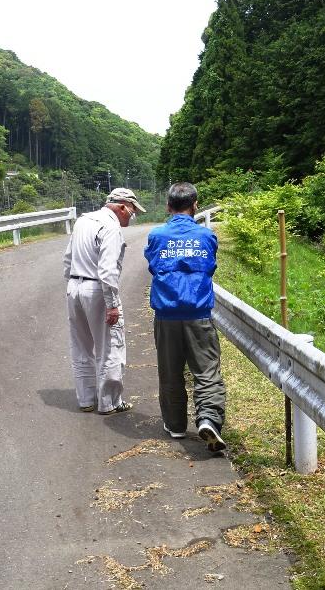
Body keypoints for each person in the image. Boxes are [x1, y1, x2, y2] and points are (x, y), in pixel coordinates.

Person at [144, 182, 227, 452]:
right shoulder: (206, 236)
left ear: (168, 206)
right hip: (198, 314)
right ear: (195, 205)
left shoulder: (157, 235)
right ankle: (209, 418)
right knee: (206, 371)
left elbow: (153, 266)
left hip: (167, 315)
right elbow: (210, 267)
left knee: (170, 372)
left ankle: (176, 425)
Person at [63, 188, 146, 415]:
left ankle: (86, 399)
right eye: (132, 210)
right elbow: (108, 271)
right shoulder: (111, 227)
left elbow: (67, 258)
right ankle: (109, 402)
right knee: (110, 346)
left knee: (81, 346)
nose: (133, 215)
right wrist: (112, 305)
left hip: (75, 285)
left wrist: (71, 288)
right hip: (97, 289)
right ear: (121, 207)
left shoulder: (83, 221)